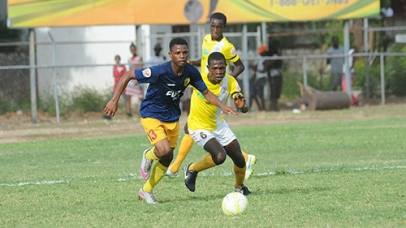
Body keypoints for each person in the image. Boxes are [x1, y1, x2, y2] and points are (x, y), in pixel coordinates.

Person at [104, 37, 238, 204]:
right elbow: (129, 74)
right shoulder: (159, 71)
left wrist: (223, 106)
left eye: (184, 52)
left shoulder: (191, 72)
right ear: (171, 55)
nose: (182, 56)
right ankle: (148, 155)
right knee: (164, 150)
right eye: (177, 53)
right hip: (151, 114)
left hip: (172, 117)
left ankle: (146, 190)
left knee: (167, 157)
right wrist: (114, 100)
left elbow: (207, 93)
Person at [166, 12, 256, 180]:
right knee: (190, 127)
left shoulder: (226, 46)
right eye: (213, 26)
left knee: (194, 128)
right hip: (201, 84)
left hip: (213, 89)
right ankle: (176, 167)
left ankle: (243, 158)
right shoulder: (206, 39)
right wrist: (190, 63)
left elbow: (240, 66)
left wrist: (228, 84)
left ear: (224, 28)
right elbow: (204, 61)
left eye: (219, 27)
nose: (215, 30)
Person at [183, 52, 251, 196]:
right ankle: (192, 169)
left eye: (222, 68)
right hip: (198, 126)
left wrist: (242, 106)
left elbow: (242, 105)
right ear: (208, 68)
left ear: (226, 67)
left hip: (218, 124)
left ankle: (239, 188)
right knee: (220, 156)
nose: (219, 72)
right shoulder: (197, 78)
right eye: (215, 68)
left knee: (239, 158)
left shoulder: (230, 81)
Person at [103, 55, 129, 120]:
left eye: (118, 58)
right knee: (112, 100)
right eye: (116, 59)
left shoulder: (123, 67)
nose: (117, 60)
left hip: (122, 87)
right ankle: (109, 115)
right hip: (116, 87)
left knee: (126, 101)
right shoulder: (114, 67)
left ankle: (129, 113)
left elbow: (126, 76)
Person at [264, 39, 283, 111]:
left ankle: (275, 106)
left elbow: (280, 63)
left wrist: (279, 56)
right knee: (273, 91)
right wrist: (276, 57)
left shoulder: (278, 55)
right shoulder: (270, 54)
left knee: (278, 90)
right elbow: (268, 63)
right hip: (272, 75)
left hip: (278, 74)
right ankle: (272, 107)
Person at [126, 43, 144, 117]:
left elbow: (140, 67)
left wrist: (138, 79)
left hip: (137, 77)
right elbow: (130, 69)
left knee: (140, 97)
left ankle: (143, 112)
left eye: (134, 49)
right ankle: (128, 113)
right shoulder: (129, 59)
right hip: (131, 79)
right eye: (131, 50)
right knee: (128, 96)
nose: (133, 51)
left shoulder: (139, 58)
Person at [249, 45, 268, 111]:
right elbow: (256, 68)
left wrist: (256, 69)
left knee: (260, 94)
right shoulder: (260, 60)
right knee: (253, 94)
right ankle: (260, 107)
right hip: (258, 78)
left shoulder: (265, 60)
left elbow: (264, 70)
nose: (259, 53)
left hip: (262, 78)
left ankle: (263, 108)